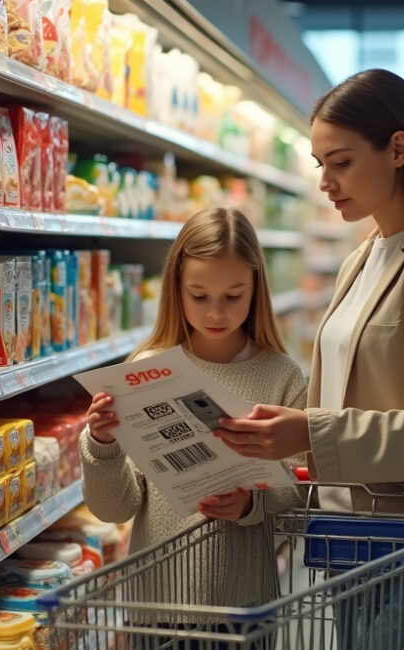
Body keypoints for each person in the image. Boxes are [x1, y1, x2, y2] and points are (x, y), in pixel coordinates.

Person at [213, 69, 404, 650]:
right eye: (320, 163)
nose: (326, 181)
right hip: (351, 539)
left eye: (341, 162)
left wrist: (315, 431)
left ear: (398, 149)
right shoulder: (362, 258)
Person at [79, 208, 307, 647]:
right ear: (176, 291)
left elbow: (296, 492)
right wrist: (102, 443)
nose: (216, 312)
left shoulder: (282, 377)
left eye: (233, 295)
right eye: (199, 296)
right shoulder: (146, 371)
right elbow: (115, 509)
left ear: (256, 290)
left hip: (244, 608)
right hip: (156, 606)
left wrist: (248, 505)